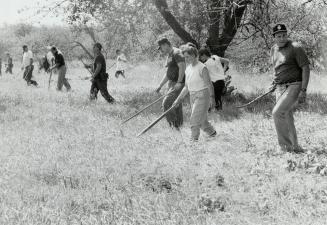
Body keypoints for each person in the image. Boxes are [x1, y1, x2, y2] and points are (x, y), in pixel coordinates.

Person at [270, 24, 310, 153]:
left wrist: (303, 90)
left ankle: (285, 148)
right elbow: (276, 69)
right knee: (287, 116)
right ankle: (295, 147)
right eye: (279, 36)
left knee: (277, 113)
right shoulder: (273, 49)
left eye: (284, 35)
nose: (282, 38)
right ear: (274, 37)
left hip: (294, 85)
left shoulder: (296, 48)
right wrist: (273, 83)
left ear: (287, 35)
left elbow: (305, 68)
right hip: (280, 87)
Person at [172, 43, 217, 141]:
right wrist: (178, 100)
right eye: (185, 57)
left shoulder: (202, 68)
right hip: (192, 96)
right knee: (202, 122)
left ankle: (193, 141)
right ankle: (213, 134)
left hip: (202, 96)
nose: (186, 60)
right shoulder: (188, 69)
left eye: (188, 57)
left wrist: (212, 99)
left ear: (194, 55)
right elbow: (186, 87)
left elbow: (209, 85)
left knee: (194, 119)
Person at [156, 38, 186, 129]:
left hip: (177, 83)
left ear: (165, 44)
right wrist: (160, 85)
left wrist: (179, 82)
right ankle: (179, 126)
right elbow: (168, 73)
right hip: (171, 82)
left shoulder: (177, 53)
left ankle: (173, 125)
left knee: (167, 103)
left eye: (161, 47)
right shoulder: (170, 55)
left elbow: (182, 67)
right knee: (176, 104)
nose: (161, 50)